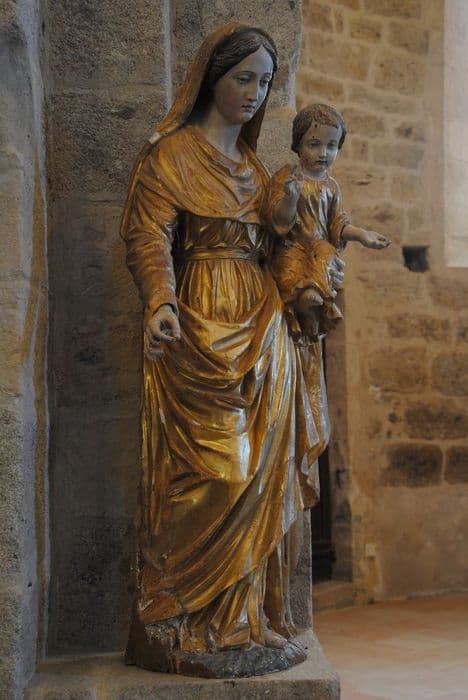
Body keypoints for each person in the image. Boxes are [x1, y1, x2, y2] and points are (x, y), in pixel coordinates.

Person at [120, 24, 339, 677]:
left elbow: (286, 245)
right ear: (211, 77)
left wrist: (313, 278)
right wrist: (160, 301)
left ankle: (245, 621)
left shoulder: (257, 170)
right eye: (243, 77)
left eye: (265, 82)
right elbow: (148, 236)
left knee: (261, 476)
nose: (254, 92)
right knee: (216, 473)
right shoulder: (170, 156)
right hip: (197, 323)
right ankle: (185, 617)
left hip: (264, 333)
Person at [267, 103, 390, 341]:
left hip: (319, 245)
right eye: (314, 144)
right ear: (298, 145)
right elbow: (277, 220)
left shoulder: (331, 186)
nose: (323, 153)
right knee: (289, 268)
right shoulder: (287, 177)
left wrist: (362, 234)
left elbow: (338, 222)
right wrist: (291, 198)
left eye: (331, 145)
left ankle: (313, 302)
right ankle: (305, 306)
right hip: (292, 245)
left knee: (327, 258)